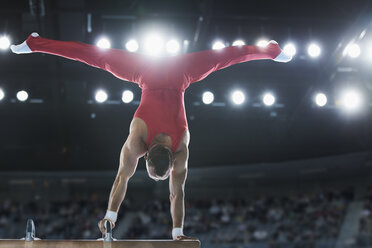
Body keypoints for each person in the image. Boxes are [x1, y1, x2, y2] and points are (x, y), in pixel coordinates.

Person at [11, 33, 291, 240]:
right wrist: (109, 216)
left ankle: (271, 50)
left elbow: (176, 192)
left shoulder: (181, 148)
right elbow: (125, 178)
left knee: (225, 58)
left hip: (180, 72)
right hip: (147, 71)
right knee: (96, 57)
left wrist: (178, 232)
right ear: (148, 157)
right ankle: (271, 50)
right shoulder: (138, 141)